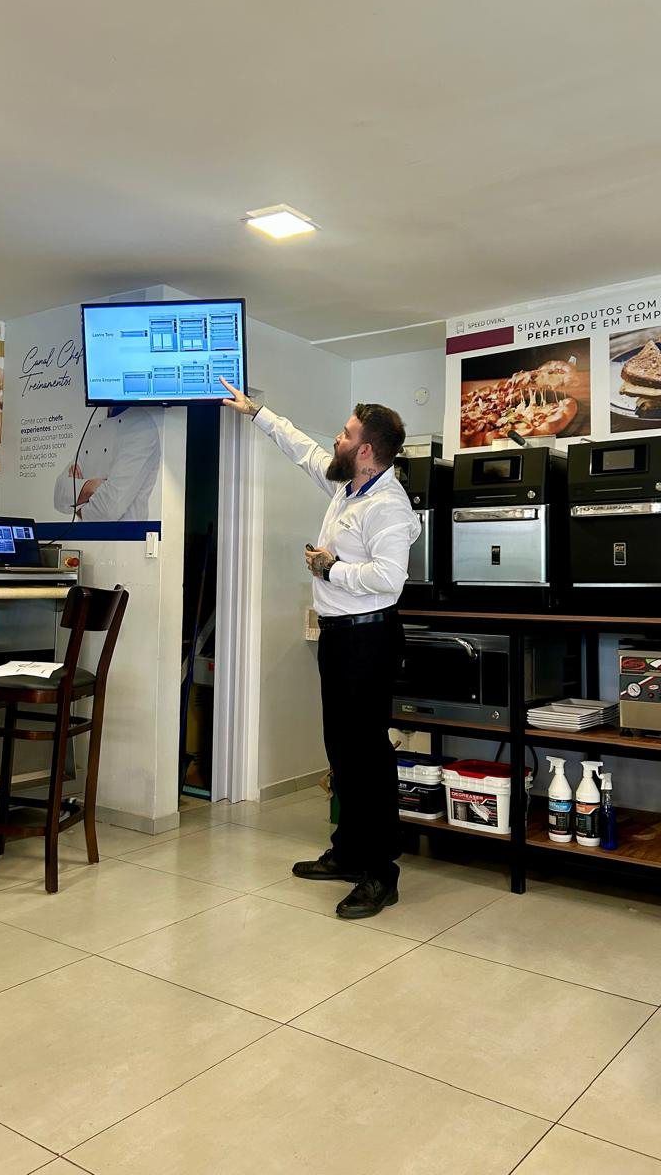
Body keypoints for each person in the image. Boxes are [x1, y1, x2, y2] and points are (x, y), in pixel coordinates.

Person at [221, 378, 420, 919]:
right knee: (341, 750)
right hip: (340, 636)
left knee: (367, 756)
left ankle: (381, 873)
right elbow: (303, 450)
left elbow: (390, 579)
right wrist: (256, 411)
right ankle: (349, 852)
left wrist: (332, 567)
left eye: (345, 434)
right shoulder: (346, 487)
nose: (335, 438)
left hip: (369, 638)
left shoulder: (388, 506)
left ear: (366, 451)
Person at [53, 405, 161, 522]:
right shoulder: (92, 432)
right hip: (83, 536)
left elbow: (108, 510)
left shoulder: (141, 427)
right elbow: (59, 495)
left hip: (127, 538)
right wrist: (92, 486)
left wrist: (75, 506)